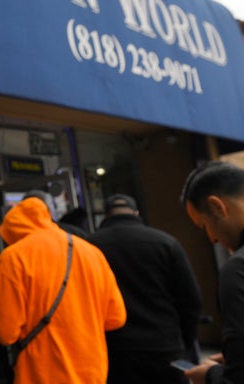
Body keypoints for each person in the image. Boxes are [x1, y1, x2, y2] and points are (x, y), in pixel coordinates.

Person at [0, 195, 126, 383]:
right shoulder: (91, 253)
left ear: (10, 229)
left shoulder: (13, 258)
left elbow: (4, 331)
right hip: (91, 373)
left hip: (40, 374)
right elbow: (116, 318)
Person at [88, 194, 202, 384]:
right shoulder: (166, 243)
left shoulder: (89, 246)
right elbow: (191, 299)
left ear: (105, 216)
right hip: (164, 347)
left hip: (114, 350)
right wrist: (185, 341)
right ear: (136, 213)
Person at [180, 161, 244, 384]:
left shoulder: (238, 269)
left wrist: (209, 375)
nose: (212, 238)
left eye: (205, 225)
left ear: (218, 207)